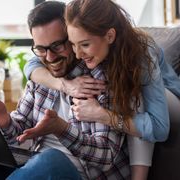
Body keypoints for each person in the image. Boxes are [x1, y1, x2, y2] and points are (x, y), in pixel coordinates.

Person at [0, 1, 132, 179]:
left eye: (57, 46)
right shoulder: (40, 77)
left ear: (72, 37)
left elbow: (105, 157)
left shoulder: (100, 79)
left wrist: (61, 129)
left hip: (77, 173)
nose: (49, 57)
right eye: (41, 49)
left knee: (51, 160)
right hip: (29, 168)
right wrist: (6, 121)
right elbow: (21, 133)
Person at [23, 0, 179, 179]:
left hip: (170, 97)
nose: (78, 54)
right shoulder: (88, 47)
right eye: (73, 45)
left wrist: (102, 115)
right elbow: (31, 64)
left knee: (134, 94)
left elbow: (159, 129)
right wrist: (66, 86)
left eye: (84, 45)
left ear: (110, 36)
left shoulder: (141, 56)